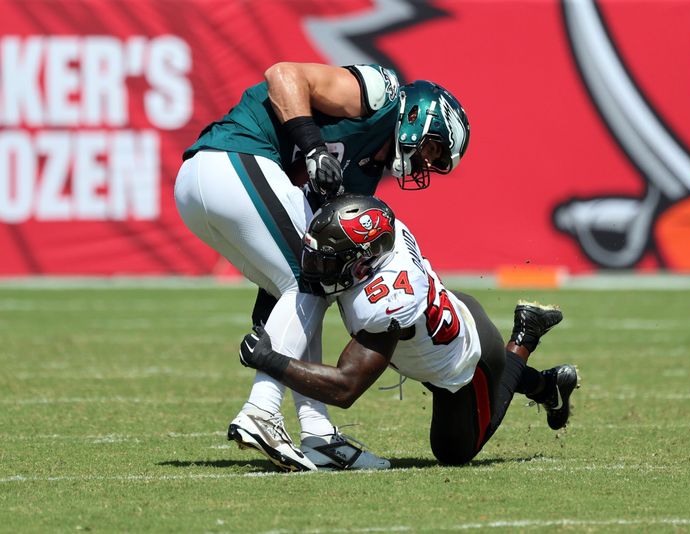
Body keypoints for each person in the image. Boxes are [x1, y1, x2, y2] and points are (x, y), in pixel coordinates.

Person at [174, 62, 470, 472]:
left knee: (313, 283)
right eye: (433, 149)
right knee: (309, 283)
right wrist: (313, 146)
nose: (425, 163)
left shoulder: (363, 176)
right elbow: (282, 75)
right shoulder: (380, 95)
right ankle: (262, 410)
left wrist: (273, 296)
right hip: (230, 158)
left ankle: (318, 436)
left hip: (213, 185)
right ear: (419, 118)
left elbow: (310, 239)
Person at [238, 194, 580, 467]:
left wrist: (269, 360)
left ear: (362, 260)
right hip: (442, 322)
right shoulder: (383, 237)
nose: (313, 268)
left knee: (454, 453)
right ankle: (548, 386)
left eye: (324, 261)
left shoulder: (386, 302)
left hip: (467, 364)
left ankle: (525, 336)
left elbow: (345, 388)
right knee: (426, 358)